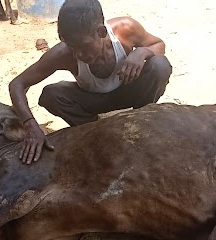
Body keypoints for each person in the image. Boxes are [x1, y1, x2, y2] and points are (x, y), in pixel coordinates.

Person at [9, 0, 172, 164]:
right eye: (72, 46)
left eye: (84, 46)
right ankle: (96, 130)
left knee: (159, 65)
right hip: (93, 100)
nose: (79, 54)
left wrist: (143, 52)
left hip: (128, 91)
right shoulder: (63, 53)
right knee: (51, 94)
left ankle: (141, 118)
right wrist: (30, 126)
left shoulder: (125, 29)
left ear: (101, 32)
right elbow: (17, 84)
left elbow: (158, 44)